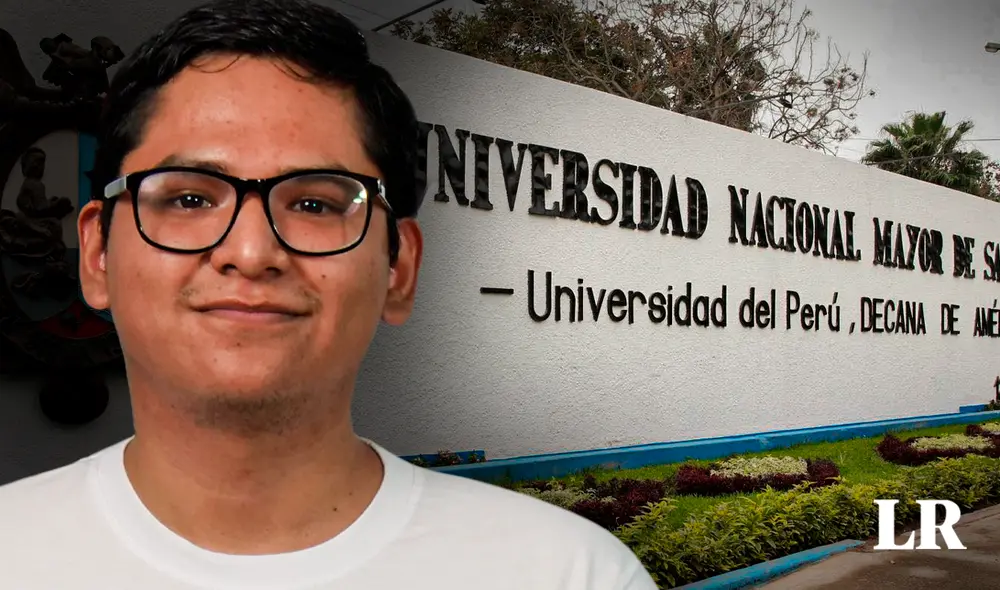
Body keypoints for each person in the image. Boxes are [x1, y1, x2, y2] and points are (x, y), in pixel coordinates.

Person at [0, 1, 659, 588]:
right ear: (97, 254)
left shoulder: (570, 574)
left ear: (399, 268)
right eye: (190, 197)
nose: (251, 253)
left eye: (314, 203)